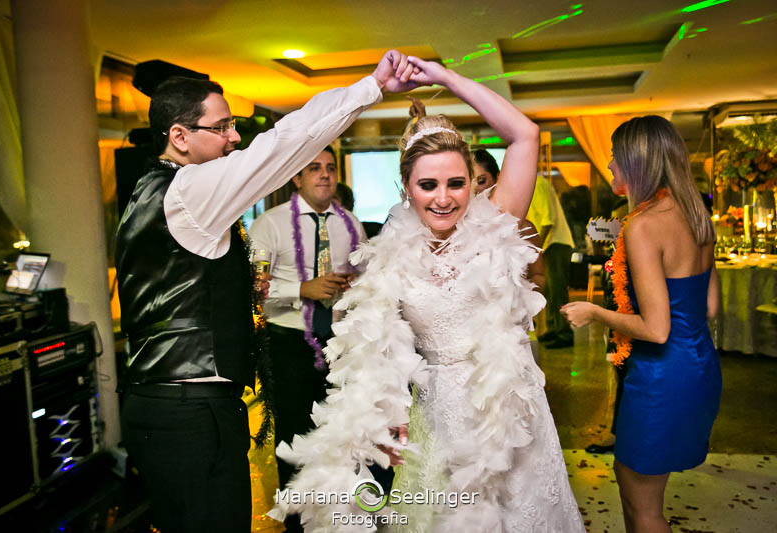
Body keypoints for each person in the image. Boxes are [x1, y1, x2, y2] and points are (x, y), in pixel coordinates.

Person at [271, 56, 583, 532]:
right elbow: (381, 354)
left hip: (504, 414)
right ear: (406, 188)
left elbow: (526, 135)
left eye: (456, 183)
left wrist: (446, 78)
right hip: (434, 416)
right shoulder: (389, 256)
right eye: (428, 185)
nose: (443, 198)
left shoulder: (495, 222)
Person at [115, 50, 421, 533]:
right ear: (179, 137)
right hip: (189, 412)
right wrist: (372, 89)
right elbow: (282, 145)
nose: (235, 137)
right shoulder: (189, 189)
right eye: (223, 126)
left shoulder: (149, 190)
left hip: (172, 404)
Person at [561, 115, 721, 532]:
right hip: (698, 366)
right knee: (645, 498)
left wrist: (593, 311)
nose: (610, 165)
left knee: (641, 506)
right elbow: (710, 306)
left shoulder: (645, 226)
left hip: (660, 377)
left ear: (637, 163)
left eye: (615, 157)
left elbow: (656, 329)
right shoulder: (698, 218)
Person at [248, 146, 366, 532]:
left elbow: (365, 283)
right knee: (295, 442)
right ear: (297, 178)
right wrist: (302, 288)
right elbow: (253, 286)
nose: (325, 175)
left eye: (330, 168)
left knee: (340, 437)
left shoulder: (350, 224)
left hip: (340, 347)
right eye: (314, 168)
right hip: (289, 346)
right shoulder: (270, 224)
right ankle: (298, 525)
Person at [473, 148, 545, 363]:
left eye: (482, 180)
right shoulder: (453, 229)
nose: (476, 188)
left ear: (497, 179)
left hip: (511, 335)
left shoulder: (522, 227)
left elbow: (539, 276)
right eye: (469, 181)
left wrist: (518, 305)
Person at [527, 174, 576, 348]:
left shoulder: (537, 183)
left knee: (556, 290)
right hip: (545, 244)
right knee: (548, 290)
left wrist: (536, 249)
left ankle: (563, 332)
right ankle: (553, 329)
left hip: (556, 243)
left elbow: (548, 221)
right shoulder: (526, 186)